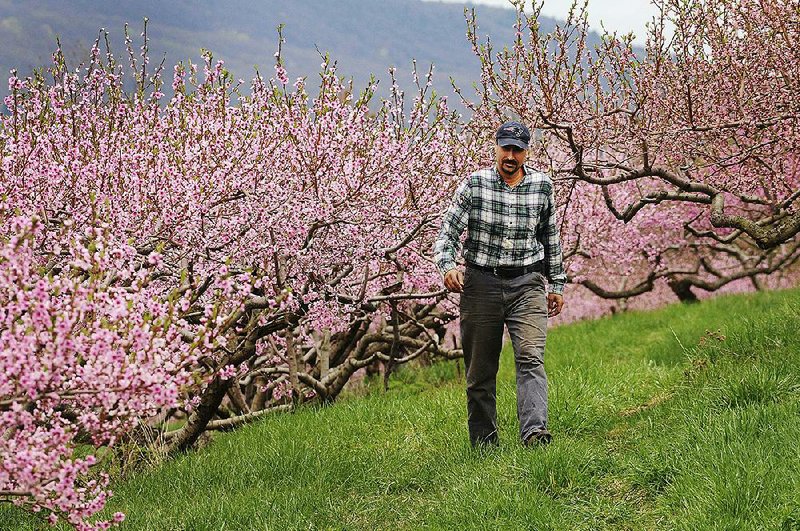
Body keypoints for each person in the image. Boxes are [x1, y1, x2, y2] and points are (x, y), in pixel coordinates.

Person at [433, 121, 566, 447]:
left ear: (526, 152)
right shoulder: (475, 185)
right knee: (480, 370)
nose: (510, 155)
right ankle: (484, 443)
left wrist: (557, 284)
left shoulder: (541, 186)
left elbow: (550, 238)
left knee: (531, 357)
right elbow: (447, 232)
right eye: (505, 148)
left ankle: (535, 434)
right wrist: (448, 266)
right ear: (495, 148)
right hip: (481, 284)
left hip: (527, 283)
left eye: (517, 150)